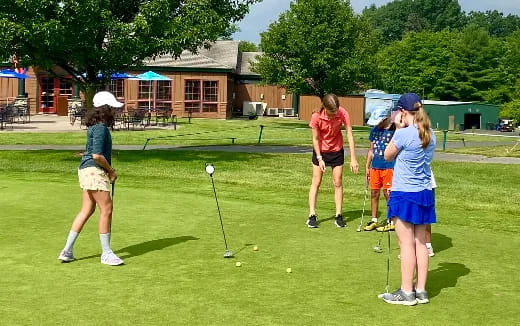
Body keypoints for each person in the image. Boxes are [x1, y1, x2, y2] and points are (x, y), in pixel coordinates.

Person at [379, 93, 436, 305]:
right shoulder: (431, 134)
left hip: (404, 194)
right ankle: (420, 290)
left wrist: (398, 129)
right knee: (421, 242)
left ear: (403, 112)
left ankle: (406, 292)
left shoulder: (404, 134)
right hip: (424, 193)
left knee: (406, 244)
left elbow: (387, 155)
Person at [57, 91, 124, 266]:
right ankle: (107, 253)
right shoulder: (101, 128)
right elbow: (97, 155)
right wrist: (111, 171)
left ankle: (67, 250)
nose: (115, 112)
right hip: (94, 170)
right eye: (113, 108)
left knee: (87, 210)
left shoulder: (94, 127)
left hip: (86, 170)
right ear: (106, 109)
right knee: (107, 209)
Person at [307, 93, 359, 228]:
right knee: (316, 181)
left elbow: (349, 134)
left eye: (335, 111)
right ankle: (312, 215)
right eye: (331, 112)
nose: (333, 115)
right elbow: (315, 139)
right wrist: (319, 158)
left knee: (338, 182)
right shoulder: (316, 116)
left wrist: (353, 158)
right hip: (321, 151)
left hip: (337, 150)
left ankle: (338, 215)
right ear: (324, 107)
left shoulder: (342, 113)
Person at [363, 107, 396, 231]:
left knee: (388, 193)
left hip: (389, 166)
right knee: (374, 192)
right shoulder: (374, 131)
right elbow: (371, 150)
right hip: (375, 166)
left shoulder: (394, 131)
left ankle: (391, 220)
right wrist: (367, 166)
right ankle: (374, 220)